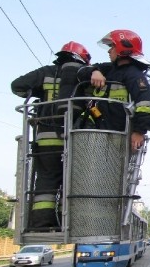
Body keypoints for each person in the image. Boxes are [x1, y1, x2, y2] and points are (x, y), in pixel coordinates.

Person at [11, 42, 92, 230]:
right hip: (74, 138)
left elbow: (17, 86)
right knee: (73, 181)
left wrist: (39, 93)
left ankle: (41, 223)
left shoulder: (45, 72)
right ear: (83, 59)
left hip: (45, 138)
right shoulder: (84, 74)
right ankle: (69, 223)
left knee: (46, 181)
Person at [77, 29, 150, 151]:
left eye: (112, 46)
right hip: (96, 130)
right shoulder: (108, 69)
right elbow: (81, 71)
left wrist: (139, 132)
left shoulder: (134, 75)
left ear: (123, 48)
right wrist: (94, 71)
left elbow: (146, 104)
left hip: (116, 136)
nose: (109, 51)